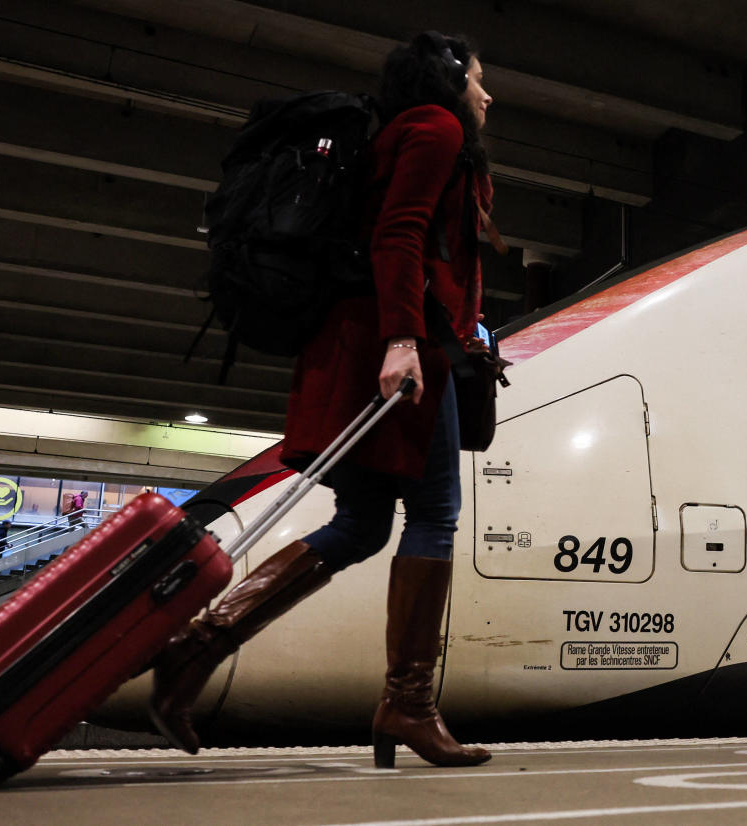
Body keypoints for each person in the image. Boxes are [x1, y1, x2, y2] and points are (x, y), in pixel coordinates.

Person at [149, 31, 495, 768]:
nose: (486, 96)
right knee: (434, 512)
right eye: (478, 80)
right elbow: (398, 237)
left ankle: (193, 651)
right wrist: (405, 341)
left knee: (364, 523)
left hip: (348, 346)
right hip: (391, 348)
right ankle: (408, 704)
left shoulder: (398, 132)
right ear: (446, 81)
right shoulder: (434, 129)